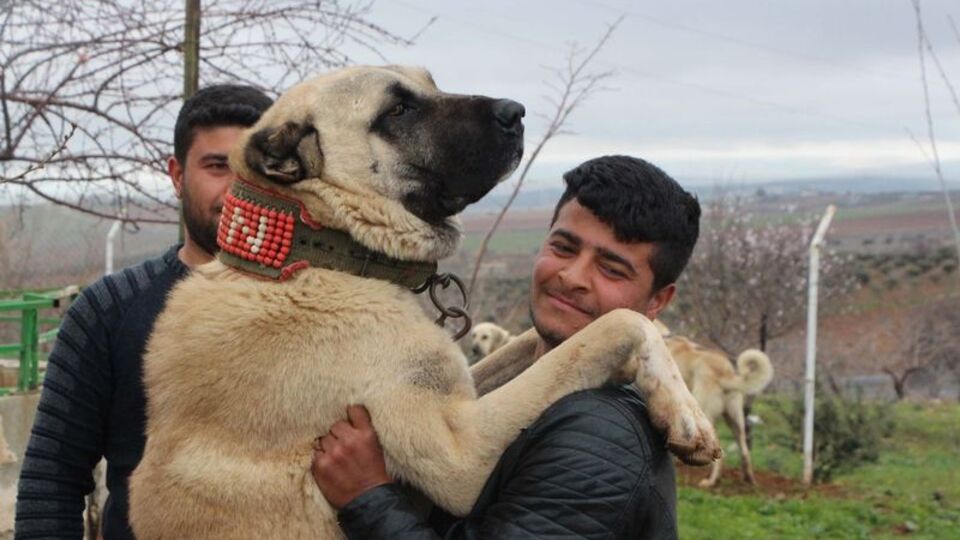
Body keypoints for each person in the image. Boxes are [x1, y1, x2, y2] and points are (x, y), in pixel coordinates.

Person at [311, 155, 702, 539]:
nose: (571, 276)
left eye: (611, 269)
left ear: (658, 301)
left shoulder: (597, 436)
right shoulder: (528, 382)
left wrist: (368, 497)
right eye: (563, 247)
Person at [14, 84, 273, 540]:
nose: (238, 189)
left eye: (254, 169)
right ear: (177, 175)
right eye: (217, 166)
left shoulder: (318, 308)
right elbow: (51, 480)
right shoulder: (109, 310)